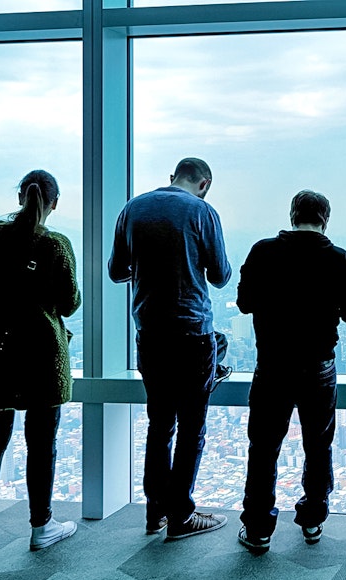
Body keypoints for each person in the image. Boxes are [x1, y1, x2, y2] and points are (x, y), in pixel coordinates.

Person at [108, 157, 233, 540]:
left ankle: (155, 512)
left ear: (171, 178)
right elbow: (221, 275)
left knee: (160, 424)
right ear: (204, 183)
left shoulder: (133, 209)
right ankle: (181, 515)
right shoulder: (202, 211)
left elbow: (117, 271)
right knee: (192, 427)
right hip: (192, 332)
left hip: (150, 332)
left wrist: (148, 270)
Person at [236, 190, 346, 552]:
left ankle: (259, 528)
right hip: (318, 367)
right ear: (326, 219)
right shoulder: (340, 259)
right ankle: (313, 520)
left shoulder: (263, 251)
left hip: (273, 366)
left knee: (263, 447)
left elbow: (244, 302)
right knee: (318, 445)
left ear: (292, 214)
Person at [0, 170, 81, 555]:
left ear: (19, 198)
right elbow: (69, 303)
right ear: (55, 203)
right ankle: (41, 526)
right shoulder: (56, 245)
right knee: (42, 443)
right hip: (45, 355)